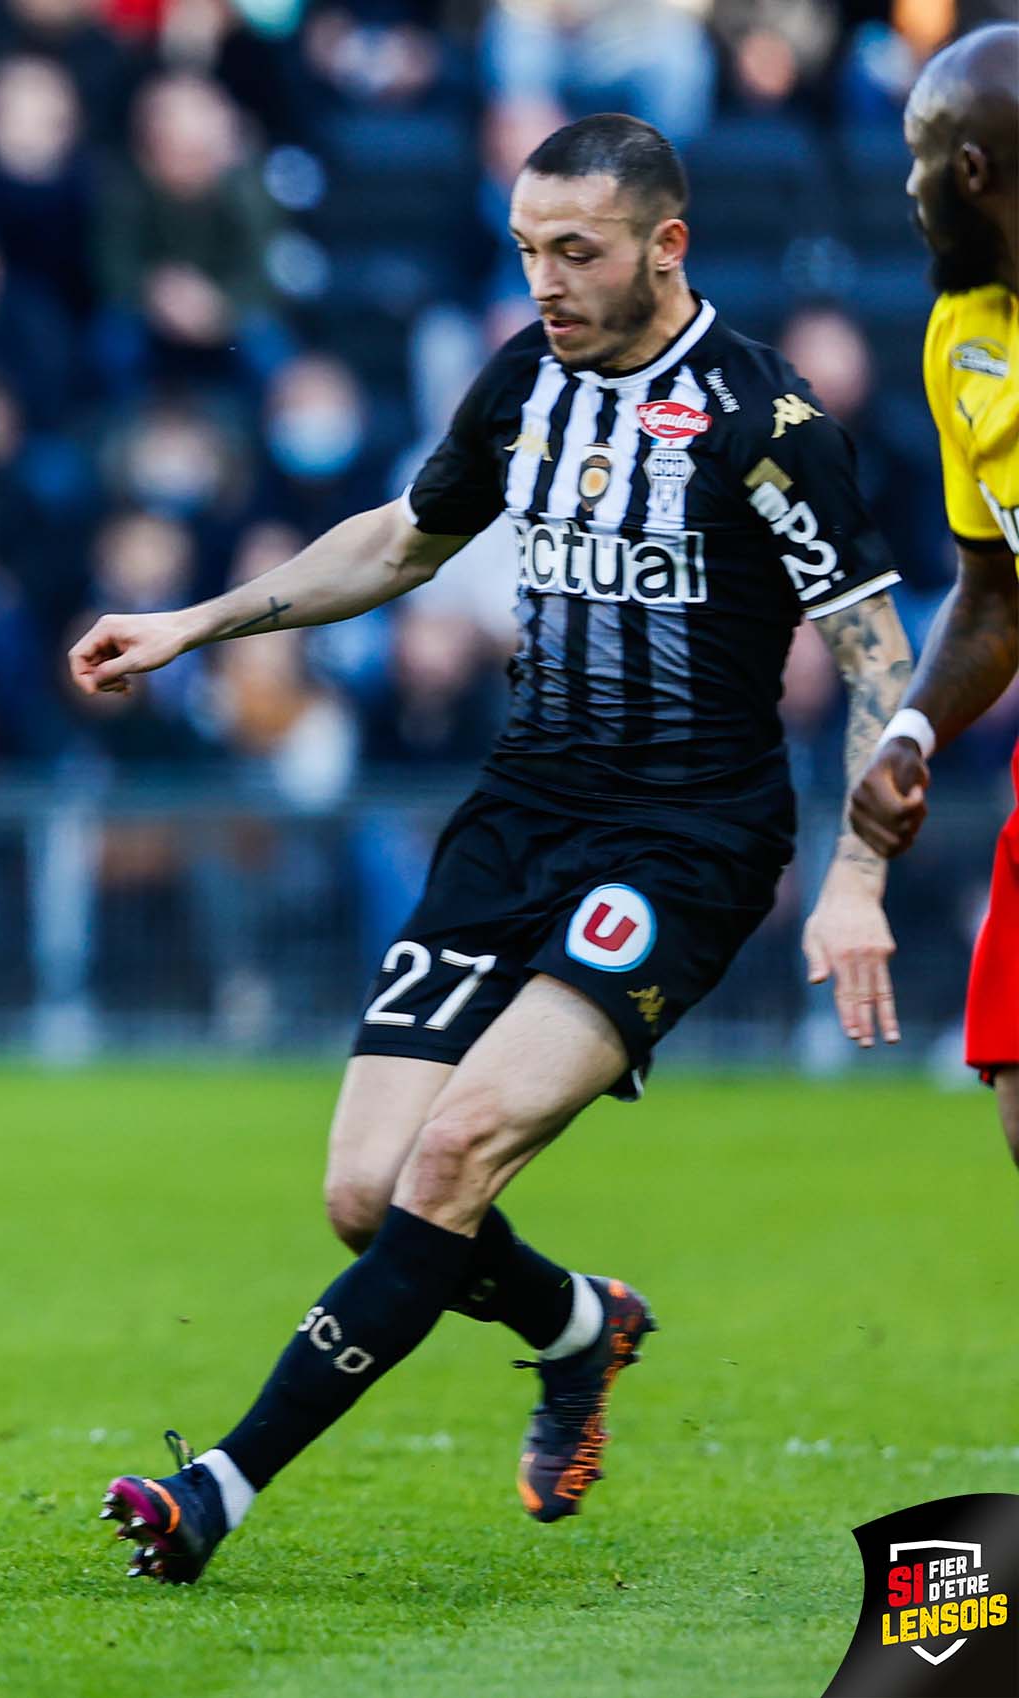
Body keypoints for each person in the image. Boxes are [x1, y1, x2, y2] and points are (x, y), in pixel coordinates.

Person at [66, 114, 914, 1582]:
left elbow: (877, 658)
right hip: (518, 810)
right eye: (529, 250)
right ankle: (580, 1322)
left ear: (668, 246)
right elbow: (404, 539)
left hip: (683, 841)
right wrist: (195, 622)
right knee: (364, 1194)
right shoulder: (523, 380)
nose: (547, 280)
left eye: (576, 252)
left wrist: (857, 871)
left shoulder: (768, 425)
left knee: (453, 1152)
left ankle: (218, 1484)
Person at [850, 24, 1019, 1173]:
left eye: (915, 159)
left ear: (966, 172)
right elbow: (992, 594)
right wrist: (909, 729)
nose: (906, 191)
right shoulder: (958, 336)